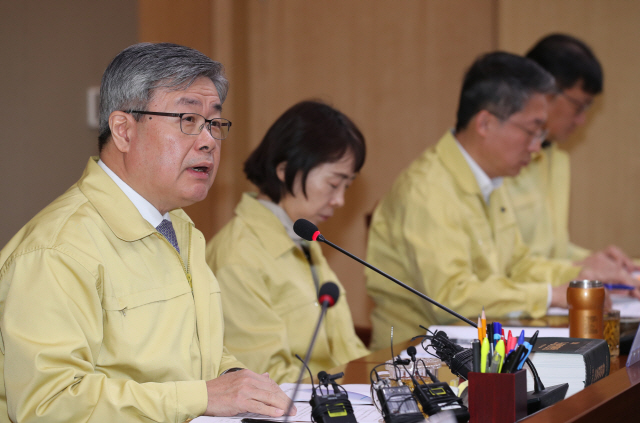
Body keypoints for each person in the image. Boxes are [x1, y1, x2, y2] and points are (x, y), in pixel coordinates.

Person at [0, 43, 293, 423]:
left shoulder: (178, 228)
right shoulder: (56, 250)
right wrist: (200, 397)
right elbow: (50, 404)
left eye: (214, 123)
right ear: (123, 130)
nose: (207, 140)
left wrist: (234, 377)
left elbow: (195, 355)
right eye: (188, 119)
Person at [365, 52, 639, 351]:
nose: (536, 148)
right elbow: (451, 298)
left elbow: (518, 265)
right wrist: (549, 295)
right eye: (531, 131)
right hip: (413, 362)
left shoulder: (491, 180)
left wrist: (582, 279)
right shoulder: (427, 189)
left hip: (475, 352)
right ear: (485, 123)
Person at [206, 100, 369, 383]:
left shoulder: (303, 239)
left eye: (347, 185)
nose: (340, 200)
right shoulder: (239, 255)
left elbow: (347, 351)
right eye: (333, 184)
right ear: (284, 170)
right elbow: (267, 378)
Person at [505, 33, 637, 271]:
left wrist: (601, 261)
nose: (582, 120)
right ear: (544, 93)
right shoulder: (503, 160)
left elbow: (553, 251)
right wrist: (580, 268)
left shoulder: (556, 157)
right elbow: (508, 265)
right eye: (579, 106)